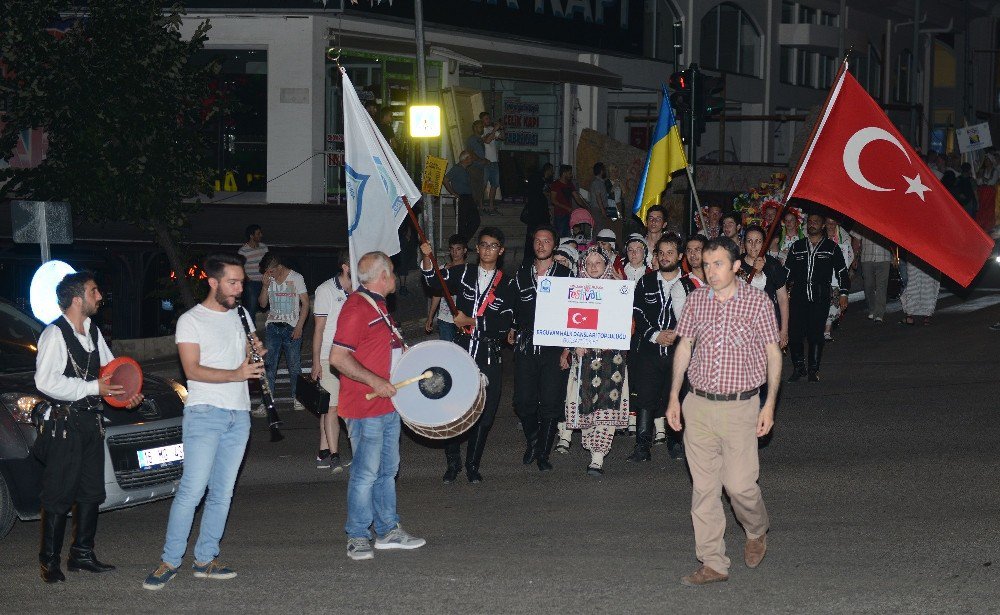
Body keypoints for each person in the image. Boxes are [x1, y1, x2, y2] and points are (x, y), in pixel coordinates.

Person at [666, 236, 782, 587]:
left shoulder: (757, 302)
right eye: (706, 263)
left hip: (741, 406)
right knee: (704, 489)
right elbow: (684, 346)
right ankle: (713, 561)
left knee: (740, 486)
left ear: (735, 266)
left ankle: (756, 529)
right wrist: (674, 396)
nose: (710, 270)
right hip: (698, 405)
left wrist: (770, 403)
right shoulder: (697, 301)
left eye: (718, 263)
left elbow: (773, 353)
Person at [143, 254, 263, 590]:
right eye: (233, 283)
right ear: (213, 282)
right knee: (192, 490)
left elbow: (247, 359)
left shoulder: (242, 316)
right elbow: (192, 370)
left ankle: (206, 558)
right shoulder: (190, 321)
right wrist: (237, 372)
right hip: (205, 414)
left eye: (241, 283)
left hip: (238, 414)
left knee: (223, 493)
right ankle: (169, 560)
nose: (240, 290)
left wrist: (255, 355)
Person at [34, 272, 142, 583]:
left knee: (91, 493)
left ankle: (81, 555)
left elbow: (112, 373)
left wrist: (128, 395)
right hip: (64, 425)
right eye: (94, 291)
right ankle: (49, 561)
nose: (100, 296)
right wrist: (96, 388)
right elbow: (46, 382)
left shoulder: (93, 331)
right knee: (58, 494)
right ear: (78, 298)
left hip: (91, 423)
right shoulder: (54, 334)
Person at [330, 251, 425, 561]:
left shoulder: (378, 305)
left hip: (387, 404)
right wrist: (374, 381)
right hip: (364, 406)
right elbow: (338, 357)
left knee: (387, 471)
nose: (396, 278)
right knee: (366, 473)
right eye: (393, 273)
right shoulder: (357, 307)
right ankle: (357, 535)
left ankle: (387, 530)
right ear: (383, 276)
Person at [420, 227, 514, 484]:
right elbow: (433, 281)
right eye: (483, 245)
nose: (487, 250)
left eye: (493, 246)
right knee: (454, 408)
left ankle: (473, 465)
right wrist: (428, 259)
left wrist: (471, 319)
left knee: (485, 412)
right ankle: (453, 464)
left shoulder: (507, 283)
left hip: (489, 353)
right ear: (477, 249)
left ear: (501, 251)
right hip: (462, 351)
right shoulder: (464, 273)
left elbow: (503, 322)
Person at [507, 225, 574, 471]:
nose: (541, 245)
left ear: (554, 245)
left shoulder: (567, 276)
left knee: (550, 402)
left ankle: (543, 454)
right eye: (537, 240)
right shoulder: (521, 274)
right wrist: (512, 327)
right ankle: (533, 440)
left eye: (546, 241)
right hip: (526, 345)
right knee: (523, 401)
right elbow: (514, 305)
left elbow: (573, 314)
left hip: (555, 347)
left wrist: (568, 348)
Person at [560, 245, 628, 476]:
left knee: (606, 406)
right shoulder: (575, 291)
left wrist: (616, 336)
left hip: (613, 358)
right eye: (589, 263)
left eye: (598, 263)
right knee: (586, 404)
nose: (593, 267)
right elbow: (565, 323)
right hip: (585, 356)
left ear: (606, 264)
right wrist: (573, 344)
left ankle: (598, 457)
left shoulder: (619, 291)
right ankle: (590, 448)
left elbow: (630, 323)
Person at [628, 235, 694, 463]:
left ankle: (675, 442)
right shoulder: (645, 282)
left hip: (678, 352)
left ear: (680, 256)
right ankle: (642, 445)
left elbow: (694, 316)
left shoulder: (689, 284)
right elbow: (638, 312)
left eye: (670, 252)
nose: (665, 257)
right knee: (645, 398)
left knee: (675, 396)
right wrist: (656, 335)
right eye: (661, 253)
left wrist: (676, 335)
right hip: (649, 350)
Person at [785, 213, 849, 382]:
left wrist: (843, 294)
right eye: (810, 222)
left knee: (816, 334)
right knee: (794, 333)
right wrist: (780, 290)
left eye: (816, 222)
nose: (812, 224)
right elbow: (787, 272)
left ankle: (814, 370)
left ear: (822, 226)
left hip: (820, 296)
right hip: (798, 296)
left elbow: (842, 272)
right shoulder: (796, 247)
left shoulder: (831, 247)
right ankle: (799, 368)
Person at [311, 253, 352, 471]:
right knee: (333, 407)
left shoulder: (359, 289)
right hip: (329, 356)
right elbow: (318, 329)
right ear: (346, 267)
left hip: (352, 357)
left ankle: (323, 452)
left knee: (334, 408)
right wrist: (316, 362)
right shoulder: (325, 290)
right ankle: (335, 454)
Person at [257, 253, 309, 412]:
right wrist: (265, 286)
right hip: (273, 327)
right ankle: (266, 402)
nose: (267, 274)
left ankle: (298, 397)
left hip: (291, 327)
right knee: (269, 366)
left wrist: (299, 326)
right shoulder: (269, 280)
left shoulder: (296, 277)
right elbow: (262, 304)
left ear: (278, 267)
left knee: (294, 366)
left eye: (270, 271)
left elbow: (306, 304)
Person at [740, 225, 789, 350]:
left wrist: (783, 330)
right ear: (744, 243)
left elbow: (783, 299)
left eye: (758, 241)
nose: (753, 245)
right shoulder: (737, 264)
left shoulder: (773, 265)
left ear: (764, 243)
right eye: (749, 241)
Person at [425, 234, 468, 343]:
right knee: (448, 352)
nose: (455, 252)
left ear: (464, 250)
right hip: (445, 318)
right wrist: (430, 317)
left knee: (463, 352)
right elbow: (437, 294)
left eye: (458, 249)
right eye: (452, 249)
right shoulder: (443, 270)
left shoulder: (470, 271)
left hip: (463, 318)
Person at [850, 224, 893, 324]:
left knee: (881, 286)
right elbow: (856, 240)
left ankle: (879, 314)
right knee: (868, 285)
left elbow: (893, 239)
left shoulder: (886, 220)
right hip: (867, 257)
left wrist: (894, 255)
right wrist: (854, 258)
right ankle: (872, 308)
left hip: (884, 257)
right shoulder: (862, 219)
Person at [824, 217, 854, 341]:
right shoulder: (819, 236)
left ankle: (827, 330)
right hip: (822, 276)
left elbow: (849, 255)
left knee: (835, 303)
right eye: (828, 223)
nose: (830, 225)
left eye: (833, 223)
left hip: (836, 277)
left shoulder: (843, 237)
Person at [520, 162, 554, 267]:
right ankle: (529, 261)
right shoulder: (538, 182)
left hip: (537, 216)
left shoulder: (539, 183)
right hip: (536, 217)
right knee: (532, 239)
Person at [444, 151, 480, 243]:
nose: (472, 160)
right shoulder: (457, 168)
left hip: (468, 197)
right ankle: (461, 243)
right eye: (470, 158)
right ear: (466, 159)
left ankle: (463, 242)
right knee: (462, 222)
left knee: (475, 220)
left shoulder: (465, 170)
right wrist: (453, 193)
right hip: (462, 197)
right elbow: (445, 179)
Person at [237, 224, 267, 323]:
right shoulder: (243, 251)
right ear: (251, 236)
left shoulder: (263, 247)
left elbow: (268, 262)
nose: (261, 235)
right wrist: (247, 278)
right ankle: (251, 332)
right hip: (252, 282)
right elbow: (239, 267)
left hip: (265, 281)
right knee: (251, 308)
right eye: (258, 234)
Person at [899, 256, 941, 326]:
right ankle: (918, 315)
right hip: (922, 255)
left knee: (924, 284)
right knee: (917, 283)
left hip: (926, 255)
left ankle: (922, 315)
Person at [550, 164, 588, 238]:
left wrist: (586, 207)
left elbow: (577, 197)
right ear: (564, 173)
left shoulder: (570, 184)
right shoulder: (556, 184)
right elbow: (553, 200)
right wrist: (566, 208)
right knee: (560, 236)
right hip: (560, 215)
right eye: (570, 173)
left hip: (569, 214)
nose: (571, 175)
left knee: (568, 236)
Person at [480, 112, 504, 215]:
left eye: (488, 118)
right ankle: (481, 206)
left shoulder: (491, 129)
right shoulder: (481, 130)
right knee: (483, 185)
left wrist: (501, 128)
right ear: (482, 120)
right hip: (485, 162)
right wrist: (495, 129)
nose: (488, 120)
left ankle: (491, 206)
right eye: (486, 119)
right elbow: (487, 141)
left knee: (494, 185)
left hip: (494, 161)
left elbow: (502, 137)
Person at [466, 120, 488, 211]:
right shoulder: (472, 139)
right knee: (474, 189)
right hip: (474, 167)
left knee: (480, 188)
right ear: (475, 128)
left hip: (480, 167)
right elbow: (470, 152)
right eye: (480, 127)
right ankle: (473, 209)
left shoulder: (479, 140)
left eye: (482, 127)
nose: (482, 128)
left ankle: (478, 208)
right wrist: (480, 160)